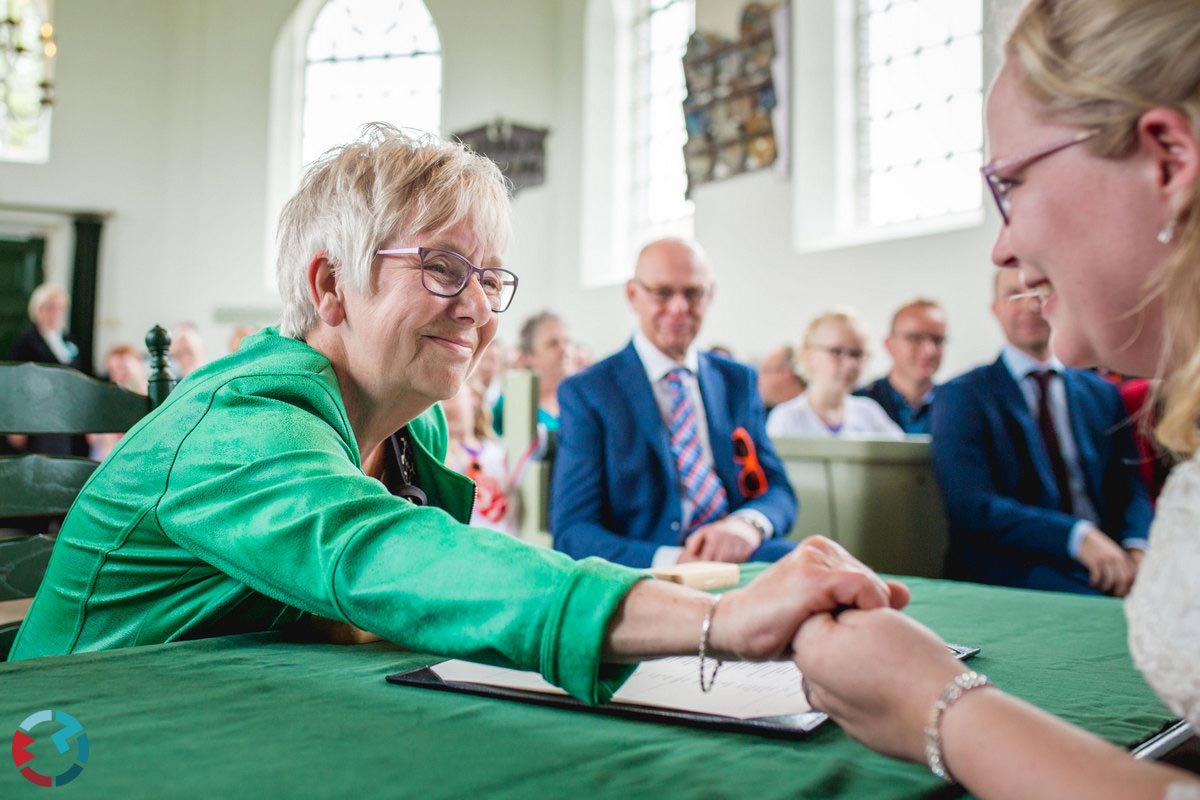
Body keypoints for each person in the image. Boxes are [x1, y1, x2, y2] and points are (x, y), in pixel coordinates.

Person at [9, 126, 908, 709]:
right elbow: (391, 562)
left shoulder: (409, 422)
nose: (478, 309)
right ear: (330, 285)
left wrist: (730, 583)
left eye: (490, 276)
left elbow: (443, 588)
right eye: (443, 268)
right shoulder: (238, 419)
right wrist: (715, 625)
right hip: (77, 739)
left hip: (239, 710)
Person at [794, 2, 1200, 795]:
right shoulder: (969, 397)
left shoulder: (1098, 396)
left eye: (1011, 183)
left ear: (1166, 158)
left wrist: (938, 706)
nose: (1003, 247)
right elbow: (975, 504)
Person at [552, 237, 798, 568]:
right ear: (632, 295)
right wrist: (676, 561)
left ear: (710, 295)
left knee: (821, 568)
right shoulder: (589, 392)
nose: (680, 307)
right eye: (663, 293)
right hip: (648, 566)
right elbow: (572, 531)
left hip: (738, 555)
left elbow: (778, 490)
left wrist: (747, 524)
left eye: (693, 293)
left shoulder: (737, 381)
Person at [932, 268, 1151, 595]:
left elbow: (1131, 484)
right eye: (1014, 295)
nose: (1031, 305)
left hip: (1111, 558)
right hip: (1016, 567)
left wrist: (1137, 546)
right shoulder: (962, 395)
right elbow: (972, 506)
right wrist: (1077, 537)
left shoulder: (1102, 394)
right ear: (997, 309)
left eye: (1040, 292)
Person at [766, 309, 904, 439]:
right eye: (836, 352)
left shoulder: (869, 414)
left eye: (857, 354)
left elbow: (905, 456)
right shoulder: (785, 419)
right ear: (808, 355)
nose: (850, 364)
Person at [7, 283, 87, 457]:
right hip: (37, 412)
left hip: (66, 412)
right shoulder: (26, 341)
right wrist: (16, 424)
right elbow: (15, 383)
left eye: (60, 308)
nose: (56, 313)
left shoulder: (68, 339)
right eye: (50, 307)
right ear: (38, 310)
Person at [854, 299, 947, 434]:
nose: (929, 350)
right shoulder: (858, 403)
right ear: (889, 345)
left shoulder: (958, 405)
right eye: (915, 338)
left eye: (938, 340)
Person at [441, 378, 518, 536]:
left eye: (449, 398)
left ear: (474, 396)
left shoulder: (499, 452)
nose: (441, 406)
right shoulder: (439, 455)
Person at [492, 310, 572, 436]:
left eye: (566, 342)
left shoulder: (576, 401)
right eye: (553, 344)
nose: (564, 350)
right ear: (529, 356)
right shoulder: (509, 405)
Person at [88, 343, 149, 460]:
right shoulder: (106, 403)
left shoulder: (157, 399)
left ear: (139, 363)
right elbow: (94, 441)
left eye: (124, 367)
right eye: (114, 370)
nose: (120, 375)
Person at [757, 345, 806, 413]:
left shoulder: (817, 413)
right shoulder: (761, 414)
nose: (759, 379)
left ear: (787, 373)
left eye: (766, 370)